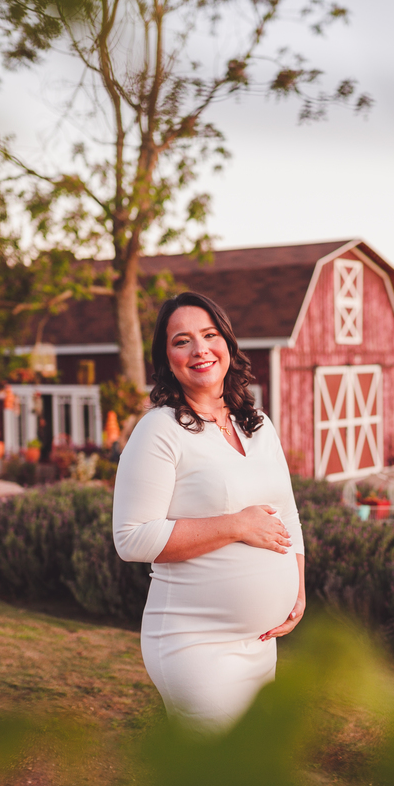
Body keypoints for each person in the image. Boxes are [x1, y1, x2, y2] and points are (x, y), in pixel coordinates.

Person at [112, 292, 305, 731]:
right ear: (167, 359)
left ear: (227, 345)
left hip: (260, 645)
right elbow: (132, 538)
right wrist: (236, 525)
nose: (199, 349)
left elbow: (288, 513)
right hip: (194, 645)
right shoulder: (159, 430)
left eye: (209, 335)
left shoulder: (255, 424)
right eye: (182, 341)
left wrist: (298, 589)